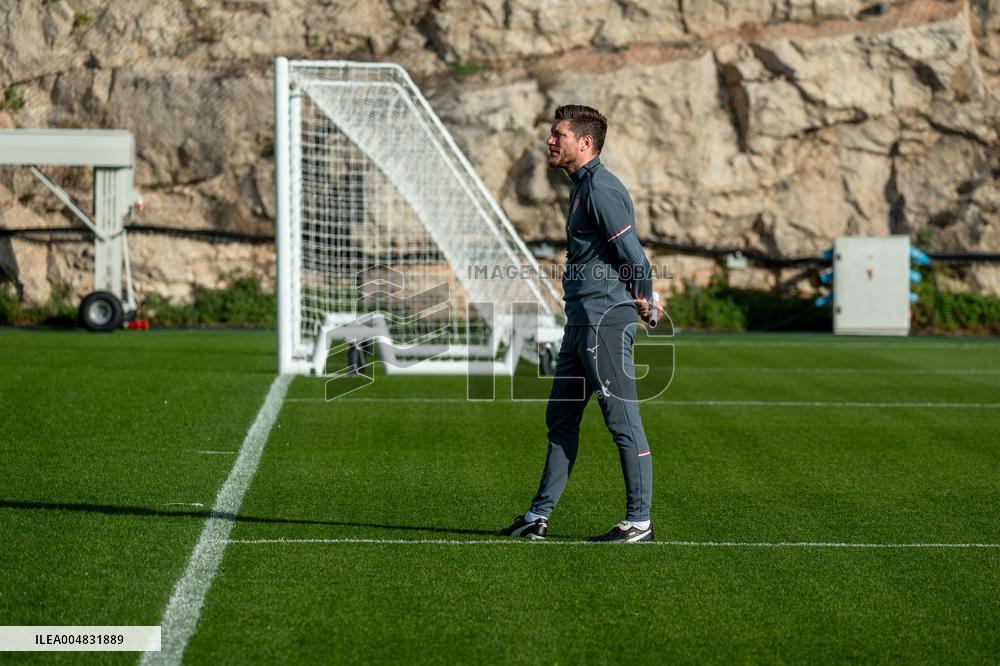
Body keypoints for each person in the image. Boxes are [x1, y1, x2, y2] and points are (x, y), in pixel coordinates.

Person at [500, 104, 662, 543]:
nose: (550, 141)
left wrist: (648, 299)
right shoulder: (582, 186)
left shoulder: (602, 189)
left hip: (604, 324)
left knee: (623, 422)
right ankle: (538, 515)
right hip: (580, 324)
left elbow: (631, 254)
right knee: (561, 418)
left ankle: (639, 521)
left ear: (584, 143)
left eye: (559, 134)